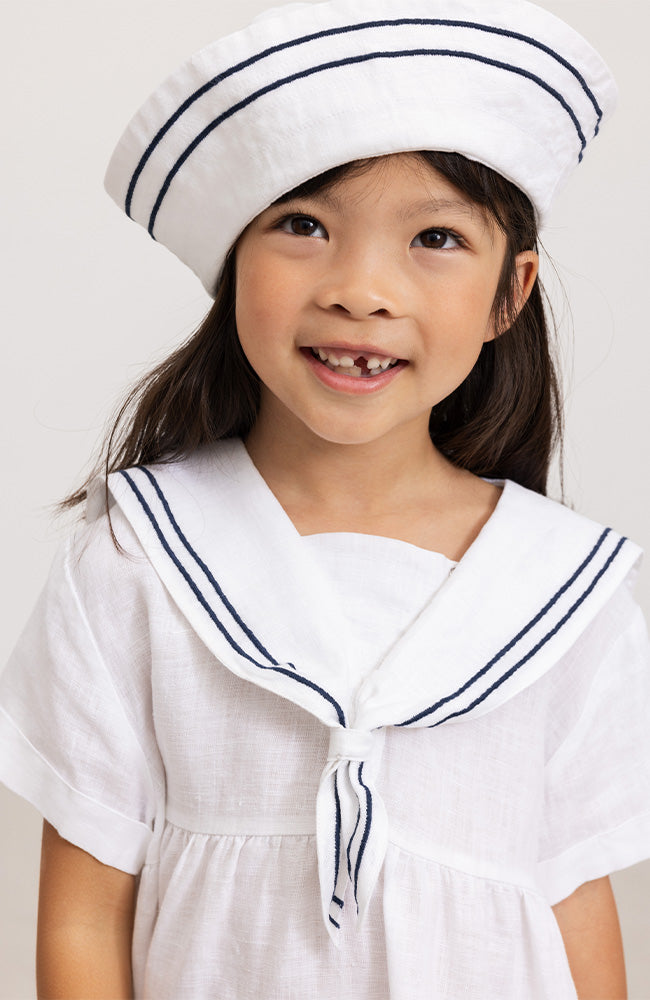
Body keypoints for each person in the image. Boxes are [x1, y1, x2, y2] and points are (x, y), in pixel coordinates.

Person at [1, 0, 649, 997]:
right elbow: (85, 919)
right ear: (233, 259)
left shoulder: (565, 589)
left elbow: (574, 906)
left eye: (435, 236)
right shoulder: (140, 559)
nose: (360, 289)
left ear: (509, 294)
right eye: (303, 225)